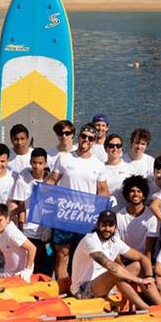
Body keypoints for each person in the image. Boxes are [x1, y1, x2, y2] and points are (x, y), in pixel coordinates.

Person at [47, 123, 108, 292]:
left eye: (90, 138)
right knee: (62, 255)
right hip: (64, 215)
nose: (86, 140)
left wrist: (105, 213)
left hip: (86, 218)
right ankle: (62, 289)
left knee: (82, 256)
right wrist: (41, 189)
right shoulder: (65, 158)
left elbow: (103, 191)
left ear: (95, 141)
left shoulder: (98, 164)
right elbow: (52, 179)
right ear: (79, 137)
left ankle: (78, 288)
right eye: (84, 136)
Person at [69, 209, 161, 310]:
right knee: (115, 273)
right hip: (83, 289)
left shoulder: (114, 241)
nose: (107, 228)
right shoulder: (90, 240)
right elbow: (111, 267)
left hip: (105, 285)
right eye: (104, 225)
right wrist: (139, 280)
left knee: (137, 266)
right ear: (97, 225)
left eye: (110, 225)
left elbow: (142, 257)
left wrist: (149, 277)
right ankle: (146, 309)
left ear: (115, 227)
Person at [9, 147, 53, 275]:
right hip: (28, 231)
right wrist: (19, 226)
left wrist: (50, 229)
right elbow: (17, 204)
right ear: (30, 162)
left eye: (40, 163)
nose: (37, 166)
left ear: (45, 163)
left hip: (46, 232)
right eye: (34, 162)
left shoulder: (51, 180)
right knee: (28, 267)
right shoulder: (23, 179)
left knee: (47, 265)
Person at [0, 203, 36, 280]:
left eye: (0, 220)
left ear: (7, 218)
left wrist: (27, 270)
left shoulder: (12, 233)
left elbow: (32, 248)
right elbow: (8, 247)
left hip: (19, 276)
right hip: (8, 272)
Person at [117, 175, 159, 256]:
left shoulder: (151, 216)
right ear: (127, 195)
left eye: (139, 191)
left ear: (143, 196)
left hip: (143, 258)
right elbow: (116, 246)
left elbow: (149, 250)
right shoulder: (119, 216)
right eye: (132, 191)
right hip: (124, 257)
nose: (135, 194)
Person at [101, 133, 130, 208]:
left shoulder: (129, 168)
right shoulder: (100, 169)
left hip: (124, 213)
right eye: (111, 146)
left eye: (118, 146)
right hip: (106, 212)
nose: (115, 149)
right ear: (105, 148)